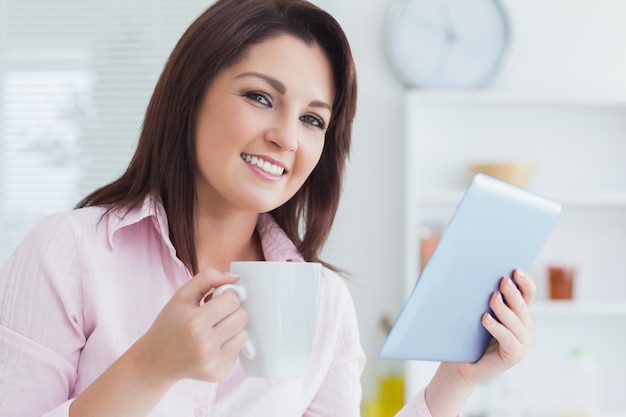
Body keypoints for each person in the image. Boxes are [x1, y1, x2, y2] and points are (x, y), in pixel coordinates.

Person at [0, 0, 536, 416]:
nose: (286, 137)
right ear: (191, 94)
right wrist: (149, 367)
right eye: (260, 97)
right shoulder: (68, 252)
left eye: (313, 119)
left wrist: (456, 382)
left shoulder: (323, 301)